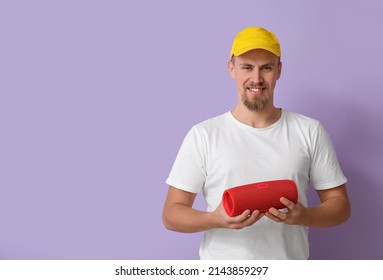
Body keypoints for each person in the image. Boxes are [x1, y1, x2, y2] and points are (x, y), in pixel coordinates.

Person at [162, 26, 351, 259]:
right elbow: (171, 214)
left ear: (279, 70)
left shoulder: (309, 130)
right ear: (231, 69)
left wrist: (304, 216)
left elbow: (340, 205)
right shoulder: (204, 134)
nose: (257, 78)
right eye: (247, 67)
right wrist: (215, 219)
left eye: (266, 68)